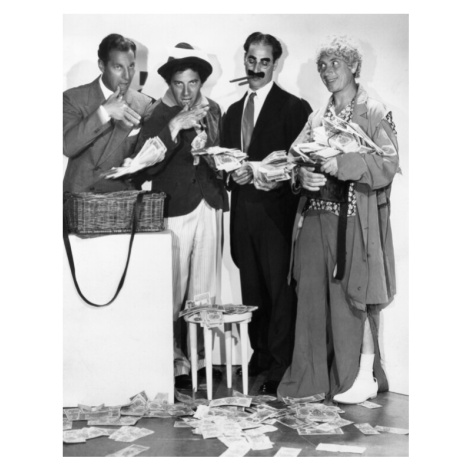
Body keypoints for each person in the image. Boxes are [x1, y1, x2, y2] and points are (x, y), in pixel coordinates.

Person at [278, 36, 399, 404]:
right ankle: (309, 381)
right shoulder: (317, 117)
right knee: (309, 299)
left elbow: (388, 165)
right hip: (313, 218)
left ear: (354, 67)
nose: (328, 71)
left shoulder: (374, 112)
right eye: (323, 66)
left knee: (353, 298)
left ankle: (355, 379)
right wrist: (301, 175)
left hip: (353, 219)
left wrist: (343, 164)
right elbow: (293, 160)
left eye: (335, 64)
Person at [132, 43, 228, 389]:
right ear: (169, 84)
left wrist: (219, 160)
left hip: (209, 203)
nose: (186, 91)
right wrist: (174, 127)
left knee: (204, 289)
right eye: (178, 84)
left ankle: (200, 359)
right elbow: (143, 166)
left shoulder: (213, 109)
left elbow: (219, 153)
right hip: (173, 208)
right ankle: (175, 362)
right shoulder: (157, 113)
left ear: (201, 82)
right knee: (173, 289)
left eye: (193, 83)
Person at [222, 32, 311, 395]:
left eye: (264, 61)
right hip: (243, 215)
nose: (256, 68)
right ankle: (258, 357)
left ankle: (280, 365)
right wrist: (232, 174)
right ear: (244, 59)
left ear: (276, 64)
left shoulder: (294, 107)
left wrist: (265, 174)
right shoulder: (232, 112)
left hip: (277, 216)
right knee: (252, 289)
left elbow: (301, 166)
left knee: (280, 292)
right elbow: (225, 162)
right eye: (251, 60)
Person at [63, 33, 156, 193]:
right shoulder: (73, 98)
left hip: (121, 198)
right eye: (118, 67)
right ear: (101, 65)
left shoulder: (144, 103)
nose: (127, 76)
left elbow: (148, 150)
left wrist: (134, 161)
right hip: (80, 198)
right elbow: (68, 147)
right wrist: (104, 112)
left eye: (131, 66)